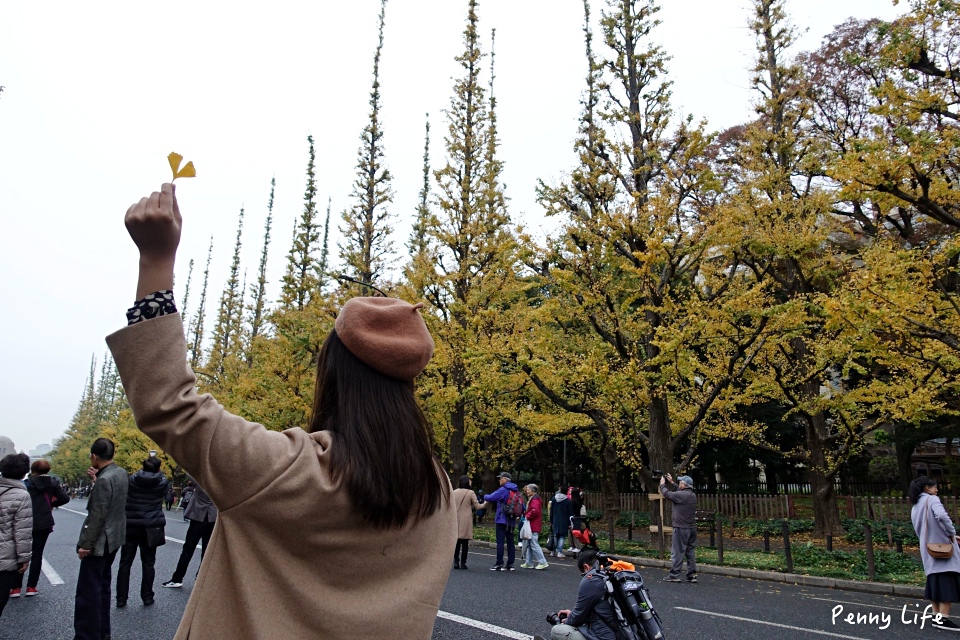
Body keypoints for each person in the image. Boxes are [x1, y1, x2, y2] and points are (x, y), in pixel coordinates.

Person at [106, 182, 456, 639]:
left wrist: (155, 262)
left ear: (331, 377)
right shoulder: (438, 493)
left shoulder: (288, 471)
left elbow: (170, 404)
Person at [74, 437, 128, 640]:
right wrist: (97, 481)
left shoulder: (104, 480)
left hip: (100, 542)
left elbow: (97, 515)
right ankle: (102, 631)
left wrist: (85, 545)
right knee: (103, 587)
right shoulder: (120, 473)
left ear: (94, 457)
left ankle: (87, 635)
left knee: (88, 592)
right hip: (115, 538)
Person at [116, 456, 169, 607]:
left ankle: (121, 598)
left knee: (125, 562)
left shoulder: (131, 480)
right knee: (148, 563)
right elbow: (163, 496)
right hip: (151, 525)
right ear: (158, 467)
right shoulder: (162, 482)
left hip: (131, 524)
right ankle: (147, 596)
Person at [12, 459, 70, 597]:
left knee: (20, 553)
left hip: (25, 521)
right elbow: (65, 498)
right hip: (44, 522)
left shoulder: (27, 484)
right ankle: (31, 587)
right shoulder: (53, 483)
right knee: (37, 554)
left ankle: (15, 588)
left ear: (33, 470)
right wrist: (51, 504)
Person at [910, 476, 960, 630]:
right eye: (934, 487)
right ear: (927, 488)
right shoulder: (932, 500)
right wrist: (951, 533)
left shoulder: (916, 505)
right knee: (948, 583)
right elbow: (942, 517)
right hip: (943, 549)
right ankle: (943, 619)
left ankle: (936, 616)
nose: (936, 490)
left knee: (935, 582)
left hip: (928, 549)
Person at [549, 549, 618, 640]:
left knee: (557, 630)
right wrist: (571, 614)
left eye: (583, 573)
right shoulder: (615, 575)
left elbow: (577, 617)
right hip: (628, 634)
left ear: (586, 567)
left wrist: (566, 620)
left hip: (606, 637)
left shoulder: (592, 580)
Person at [162, 477, 217, 588]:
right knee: (207, 551)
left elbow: (191, 474)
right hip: (212, 517)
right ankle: (201, 579)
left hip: (198, 517)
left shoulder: (202, 478)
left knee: (188, 549)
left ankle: (177, 578)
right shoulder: (220, 481)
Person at [0, 453, 32, 619]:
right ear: (23, 473)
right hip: (5, 556)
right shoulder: (22, 495)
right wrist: (24, 558)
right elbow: (22, 531)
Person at [659, 473, 697, 583]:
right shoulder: (691, 495)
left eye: (680, 482)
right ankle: (691, 575)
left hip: (681, 528)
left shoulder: (681, 495)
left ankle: (674, 574)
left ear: (684, 485)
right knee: (690, 551)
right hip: (691, 528)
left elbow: (668, 494)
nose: (679, 483)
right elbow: (679, 491)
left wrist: (662, 484)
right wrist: (671, 482)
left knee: (678, 551)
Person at [482, 471, 520, 571]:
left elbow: (491, 497)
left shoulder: (503, 489)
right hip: (511, 520)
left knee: (500, 542)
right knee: (510, 542)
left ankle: (499, 563)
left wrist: (484, 496)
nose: (499, 480)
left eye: (500, 478)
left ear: (505, 479)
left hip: (502, 519)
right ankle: (510, 564)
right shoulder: (516, 490)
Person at [451, 475, 481, 569]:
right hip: (466, 519)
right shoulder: (470, 492)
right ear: (467, 482)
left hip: (456, 518)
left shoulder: (454, 492)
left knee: (457, 541)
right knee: (465, 542)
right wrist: (487, 502)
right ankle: (463, 563)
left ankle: (456, 561)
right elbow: (478, 506)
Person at [521, 484, 549, 570]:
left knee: (533, 544)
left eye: (528, 489)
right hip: (533, 524)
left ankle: (543, 562)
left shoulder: (534, 501)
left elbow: (534, 511)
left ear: (533, 491)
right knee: (530, 544)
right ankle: (528, 562)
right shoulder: (534, 499)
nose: (527, 491)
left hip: (533, 525)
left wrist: (526, 516)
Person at [550, 485, 572, 558]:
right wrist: (569, 523)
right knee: (562, 536)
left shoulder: (553, 499)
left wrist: (551, 520)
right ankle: (559, 551)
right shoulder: (567, 501)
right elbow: (570, 513)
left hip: (555, 519)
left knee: (555, 535)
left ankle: (553, 551)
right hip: (564, 520)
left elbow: (551, 510)